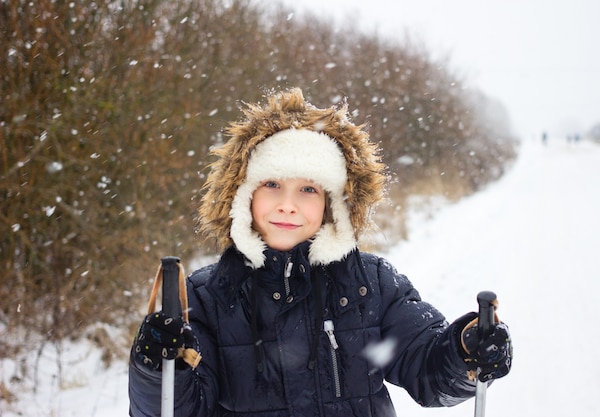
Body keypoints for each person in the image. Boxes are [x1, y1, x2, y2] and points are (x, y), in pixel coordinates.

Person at [128, 88, 512, 416]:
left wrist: (465, 352)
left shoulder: (371, 285)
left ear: (333, 204)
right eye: (273, 184)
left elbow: (427, 369)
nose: (288, 205)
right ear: (243, 195)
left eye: (308, 189)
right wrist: (158, 368)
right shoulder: (208, 297)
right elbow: (174, 409)